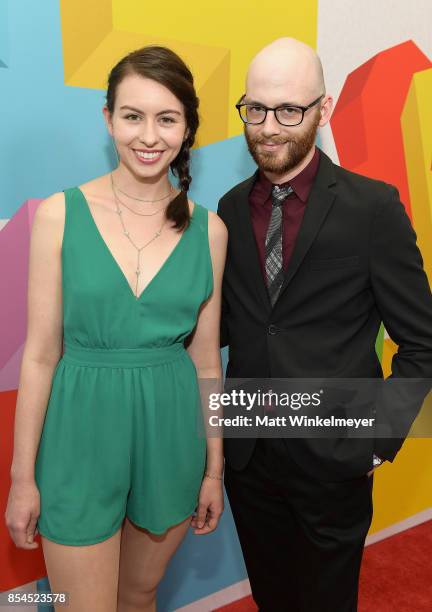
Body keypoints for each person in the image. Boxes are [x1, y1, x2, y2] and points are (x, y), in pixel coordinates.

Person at [217, 38, 432, 612]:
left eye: (289, 110)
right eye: (256, 108)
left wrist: (376, 441)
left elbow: (423, 342)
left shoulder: (373, 208)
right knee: (273, 598)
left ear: (326, 107)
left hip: (336, 458)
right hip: (249, 459)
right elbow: (230, 326)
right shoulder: (227, 209)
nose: (269, 127)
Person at [5, 45, 227, 612]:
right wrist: (22, 477)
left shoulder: (210, 232)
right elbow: (38, 356)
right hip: (78, 439)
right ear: (109, 119)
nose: (148, 135)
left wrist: (214, 469)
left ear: (186, 128)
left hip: (172, 438)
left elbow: (206, 363)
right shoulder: (59, 214)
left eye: (167, 118)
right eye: (133, 115)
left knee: (139, 594)